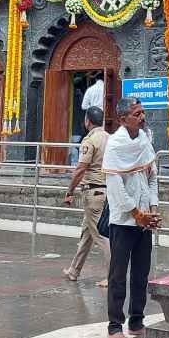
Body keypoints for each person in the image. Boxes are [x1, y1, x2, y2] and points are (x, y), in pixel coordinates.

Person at [103, 97, 159, 338]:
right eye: (137, 113)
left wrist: (153, 208)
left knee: (141, 273)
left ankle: (137, 320)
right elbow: (115, 186)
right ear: (123, 118)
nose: (142, 117)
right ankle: (115, 325)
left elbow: (152, 177)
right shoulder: (115, 145)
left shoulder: (145, 140)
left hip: (145, 220)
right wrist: (137, 213)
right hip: (124, 221)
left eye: (143, 112)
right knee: (118, 274)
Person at [63, 106, 111, 286]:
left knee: (101, 236)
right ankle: (74, 271)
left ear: (87, 121)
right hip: (106, 191)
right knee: (86, 234)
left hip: (93, 192)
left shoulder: (90, 140)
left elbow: (80, 169)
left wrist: (69, 191)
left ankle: (112, 277)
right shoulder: (109, 138)